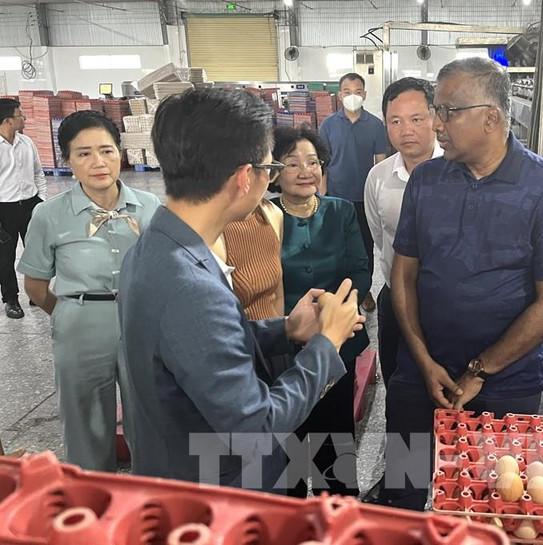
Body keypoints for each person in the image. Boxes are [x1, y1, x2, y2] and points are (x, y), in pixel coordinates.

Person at [118, 88, 364, 491]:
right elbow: (258, 424)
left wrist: (282, 329)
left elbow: (194, 347)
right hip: (219, 490)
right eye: (271, 165)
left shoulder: (155, 246)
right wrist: (327, 342)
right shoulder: (191, 286)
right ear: (245, 177)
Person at [382, 57, 543, 510]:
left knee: (491, 501)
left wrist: (479, 371)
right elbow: (404, 273)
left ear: (490, 117)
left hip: (504, 384)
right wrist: (421, 357)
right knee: (403, 488)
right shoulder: (427, 180)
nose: (436, 124)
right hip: (420, 374)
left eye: (447, 112)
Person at [17, 110, 161, 471]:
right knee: (85, 422)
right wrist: (69, 313)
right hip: (80, 326)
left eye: (107, 150)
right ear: (67, 160)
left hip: (139, 324)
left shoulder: (149, 207)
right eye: (83, 154)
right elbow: (35, 285)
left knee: (150, 417)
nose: (98, 162)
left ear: (120, 153)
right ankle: (90, 500)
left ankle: (150, 494)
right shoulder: (49, 215)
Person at [270, 126, 371, 498]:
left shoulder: (341, 211)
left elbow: (360, 269)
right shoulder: (260, 216)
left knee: (334, 438)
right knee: (288, 438)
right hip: (281, 346)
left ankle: (338, 516)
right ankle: (292, 517)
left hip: (336, 345)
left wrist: (334, 315)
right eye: (292, 163)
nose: (304, 171)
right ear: (274, 171)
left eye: (313, 162)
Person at [365, 77, 442, 386]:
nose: (406, 129)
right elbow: (380, 236)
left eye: (416, 119)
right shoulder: (379, 177)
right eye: (395, 121)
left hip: (445, 303)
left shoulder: (458, 172)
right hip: (396, 298)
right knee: (398, 383)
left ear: (435, 118)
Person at [320, 72, 388, 313]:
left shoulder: (376, 126)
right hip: (336, 198)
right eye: (347, 92)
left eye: (357, 92)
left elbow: (380, 165)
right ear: (340, 95)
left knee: (364, 247)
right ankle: (339, 291)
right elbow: (323, 165)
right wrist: (321, 198)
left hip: (364, 200)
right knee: (336, 247)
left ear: (365, 94)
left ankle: (363, 289)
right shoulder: (328, 125)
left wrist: (379, 198)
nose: (352, 96)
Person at [0, 98, 46, 319]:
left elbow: (38, 172)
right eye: (20, 114)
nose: (24, 118)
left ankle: (36, 293)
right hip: (4, 210)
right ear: (8, 120)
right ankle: (10, 299)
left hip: (30, 205)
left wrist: (41, 200)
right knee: (4, 257)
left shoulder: (26, 142)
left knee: (35, 254)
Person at [212, 199, 285, 320]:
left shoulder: (271, 212)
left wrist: (280, 331)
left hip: (274, 331)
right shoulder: (214, 227)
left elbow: (278, 295)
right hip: (238, 334)